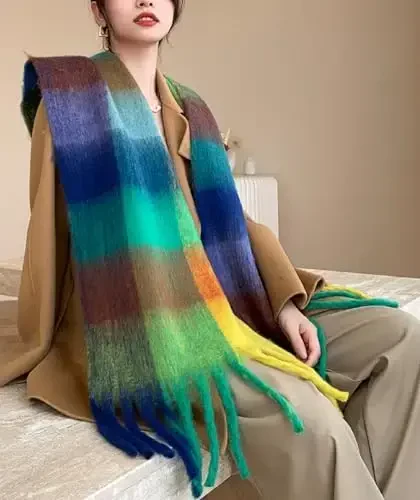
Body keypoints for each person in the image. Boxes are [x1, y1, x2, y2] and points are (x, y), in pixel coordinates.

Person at [1, 1, 419, 499]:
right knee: (312, 422)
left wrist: (283, 303)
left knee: (402, 340)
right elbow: (51, 239)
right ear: (98, 8)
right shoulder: (71, 99)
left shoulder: (191, 108)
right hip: (155, 320)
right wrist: (57, 340)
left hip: (234, 298)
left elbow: (232, 224)